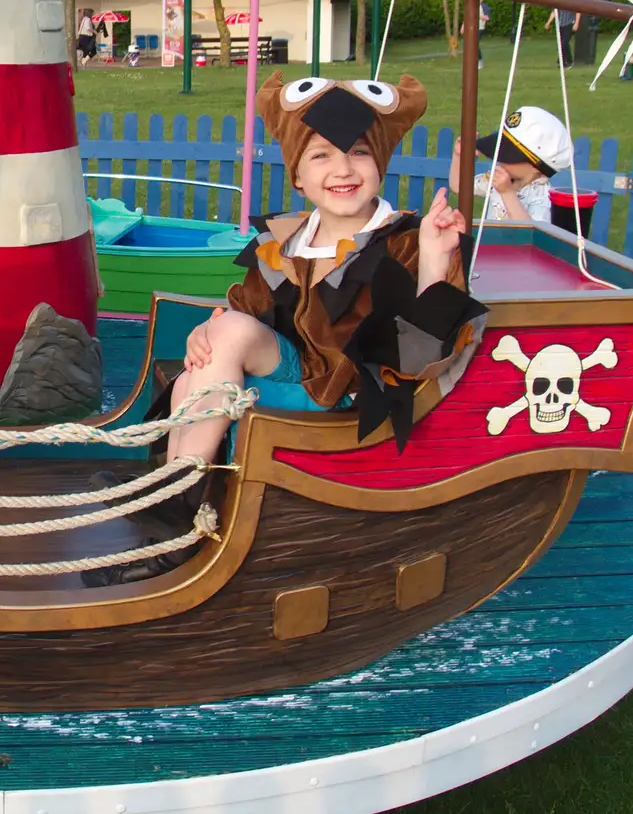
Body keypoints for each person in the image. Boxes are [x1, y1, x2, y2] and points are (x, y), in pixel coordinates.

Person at [85, 74, 486, 586]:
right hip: (295, 376)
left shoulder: (403, 241)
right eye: (321, 156)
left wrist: (434, 256)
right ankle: (173, 509)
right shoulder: (286, 241)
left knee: (223, 346)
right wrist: (203, 337)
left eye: (359, 154)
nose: (342, 169)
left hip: (352, 392)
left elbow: (422, 353)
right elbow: (243, 312)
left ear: (379, 164)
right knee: (194, 373)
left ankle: (172, 501)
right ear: (297, 174)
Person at [448, 105, 572, 223]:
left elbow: (530, 235)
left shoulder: (542, 198)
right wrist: (459, 156)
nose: (499, 159)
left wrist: (507, 192)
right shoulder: (496, 180)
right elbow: (459, 186)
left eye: (508, 155)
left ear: (536, 167)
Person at [544, 0, 579, 66]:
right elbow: (554, 12)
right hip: (560, 24)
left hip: (569, 23)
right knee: (561, 43)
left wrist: (576, 23)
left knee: (564, 42)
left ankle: (562, 61)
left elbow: (578, 11)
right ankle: (568, 59)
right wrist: (548, 22)